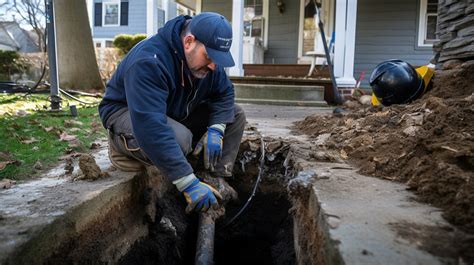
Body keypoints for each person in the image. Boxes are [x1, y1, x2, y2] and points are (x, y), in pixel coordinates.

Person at [98, 12, 246, 214]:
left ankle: (215, 177)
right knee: (180, 139)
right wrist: (188, 183)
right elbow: (151, 126)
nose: (213, 66)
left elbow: (225, 92)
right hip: (130, 114)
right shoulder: (149, 61)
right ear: (188, 42)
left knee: (235, 115)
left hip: (172, 113)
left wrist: (217, 129)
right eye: (209, 57)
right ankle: (124, 149)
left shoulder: (206, 63)